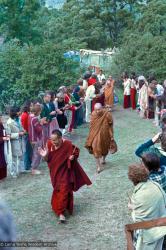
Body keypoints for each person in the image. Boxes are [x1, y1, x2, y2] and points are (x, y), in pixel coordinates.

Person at [38, 129, 92, 223]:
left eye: (55, 140)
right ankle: (59, 205)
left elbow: (76, 151)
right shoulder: (49, 144)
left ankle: (61, 213)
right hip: (54, 172)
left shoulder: (67, 144)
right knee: (58, 189)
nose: (53, 142)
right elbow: (48, 160)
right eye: (51, 139)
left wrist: (72, 157)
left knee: (64, 188)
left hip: (65, 171)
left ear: (60, 138)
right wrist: (44, 156)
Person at [128, 164, 166, 250]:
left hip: (149, 235)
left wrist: (132, 208)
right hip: (162, 228)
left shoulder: (138, 195)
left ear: (132, 179)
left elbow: (138, 221)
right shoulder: (155, 184)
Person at [85, 103, 117, 173]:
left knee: (105, 148)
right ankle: (99, 166)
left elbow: (110, 124)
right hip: (95, 134)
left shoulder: (107, 114)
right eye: (96, 110)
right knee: (95, 148)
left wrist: (111, 135)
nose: (97, 111)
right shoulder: (93, 114)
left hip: (105, 134)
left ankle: (103, 159)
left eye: (99, 110)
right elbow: (91, 125)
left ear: (102, 108)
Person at [6, 107, 25, 177]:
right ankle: (13, 173)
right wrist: (18, 134)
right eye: (18, 111)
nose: (20, 112)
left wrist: (23, 131)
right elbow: (9, 135)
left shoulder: (18, 119)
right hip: (15, 142)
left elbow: (21, 127)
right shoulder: (9, 122)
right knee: (14, 158)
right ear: (14, 113)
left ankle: (21, 170)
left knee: (21, 155)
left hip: (21, 140)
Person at [28, 102, 46, 175]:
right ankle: (33, 169)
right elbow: (38, 129)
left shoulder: (31, 117)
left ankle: (34, 168)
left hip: (33, 138)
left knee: (36, 153)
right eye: (40, 111)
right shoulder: (34, 119)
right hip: (36, 138)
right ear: (38, 111)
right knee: (36, 153)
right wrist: (41, 123)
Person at [20, 101, 33, 171]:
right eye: (30, 106)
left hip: (28, 134)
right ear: (27, 106)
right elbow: (25, 127)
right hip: (26, 134)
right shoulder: (25, 115)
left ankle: (29, 164)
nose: (31, 107)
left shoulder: (27, 114)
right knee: (27, 150)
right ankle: (26, 166)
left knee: (29, 150)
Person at [0, 114, 9, 180]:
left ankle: (3, 176)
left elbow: (3, 133)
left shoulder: (1, 125)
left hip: (2, 145)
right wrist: (3, 138)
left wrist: (6, 136)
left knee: (3, 159)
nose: (2, 119)